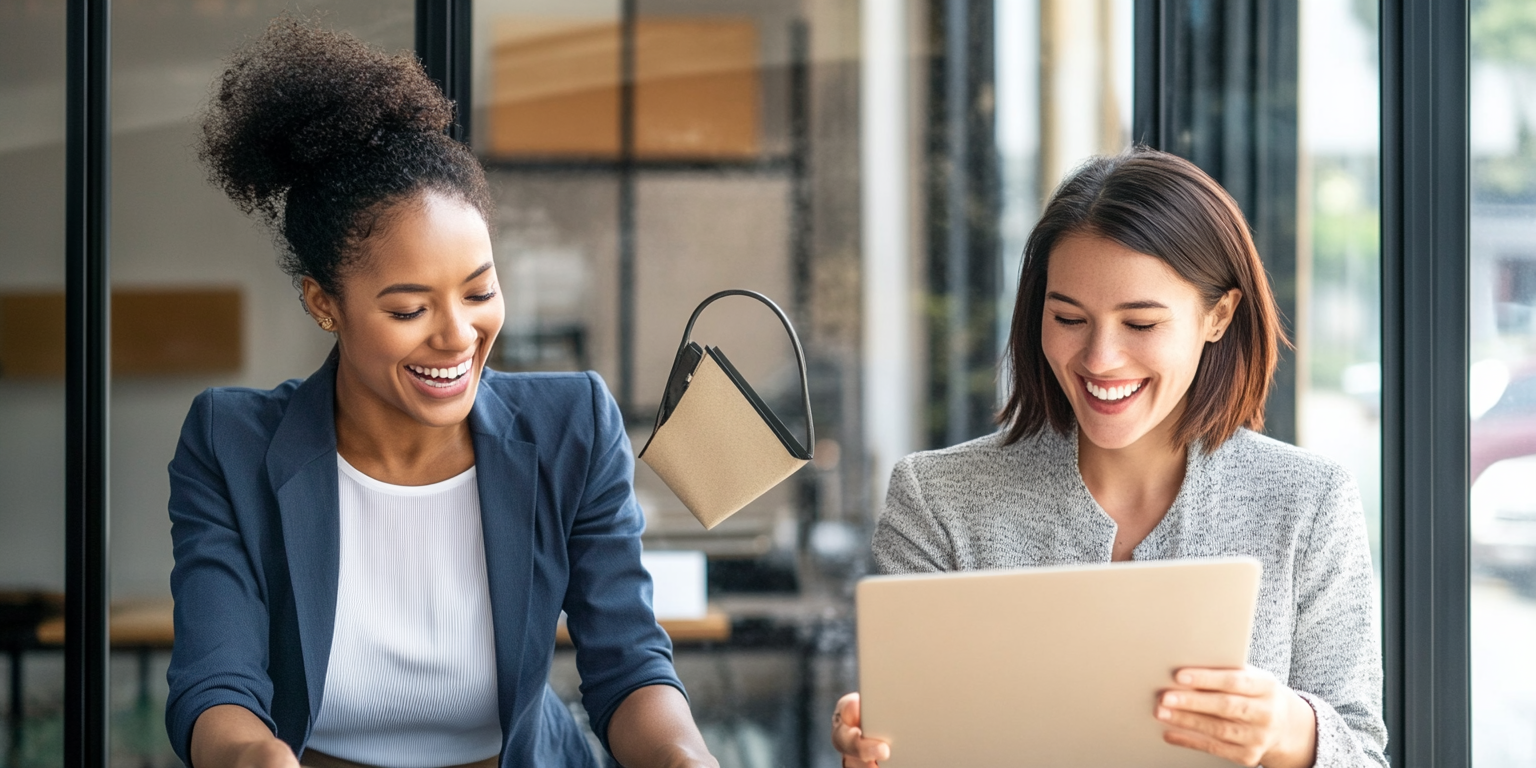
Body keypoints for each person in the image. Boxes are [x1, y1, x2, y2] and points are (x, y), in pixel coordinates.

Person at [164, 19, 717, 768]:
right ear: (324, 302)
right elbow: (216, 687)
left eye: (480, 292)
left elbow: (628, 669)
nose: (458, 336)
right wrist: (254, 759)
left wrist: (686, 759)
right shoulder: (232, 445)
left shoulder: (572, 428)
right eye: (408, 309)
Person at [831, 148, 1385, 768]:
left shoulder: (1309, 502)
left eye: (1141, 324)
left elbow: (1362, 750)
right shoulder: (937, 500)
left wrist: (1292, 731)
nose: (1099, 360)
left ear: (1218, 315)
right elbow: (908, 737)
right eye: (1069, 318)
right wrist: (877, 753)